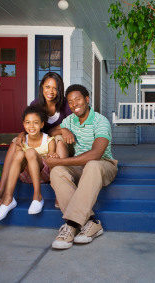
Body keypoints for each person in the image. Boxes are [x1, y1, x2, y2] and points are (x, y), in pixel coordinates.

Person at [0, 72, 74, 207]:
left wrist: (59, 130)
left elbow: (70, 127)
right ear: (42, 87)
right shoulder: (36, 104)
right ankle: (1, 190)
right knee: (15, 142)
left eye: (55, 88)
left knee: (58, 138)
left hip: (58, 147)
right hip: (39, 144)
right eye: (47, 87)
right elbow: (32, 127)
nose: (51, 91)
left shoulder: (65, 105)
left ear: (60, 90)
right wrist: (21, 134)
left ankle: (60, 191)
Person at [45, 84, 118, 250]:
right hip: (80, 167)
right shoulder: (70, 120)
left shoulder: (100, 121)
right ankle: (92, 224)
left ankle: (71, 224)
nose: (73, 104)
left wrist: (60, 161)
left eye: (77, 99)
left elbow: (96, 155)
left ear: (87, 99)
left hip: (103, 166)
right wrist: (63, 130)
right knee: (57, 172)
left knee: (91, 164)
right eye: (70, 102)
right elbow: (50, 132)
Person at [0, 105, 56, 221]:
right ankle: (8, 198)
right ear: (24, 124)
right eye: (28, 122)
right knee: (19, 153)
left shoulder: (49, 140)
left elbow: (51, 162)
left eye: (35, 122)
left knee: (30, 152)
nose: (31, 126)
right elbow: (18, 161)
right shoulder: (22, 140)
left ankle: (37, 196)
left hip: (42, 175)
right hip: (25, 176)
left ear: (42, 124)